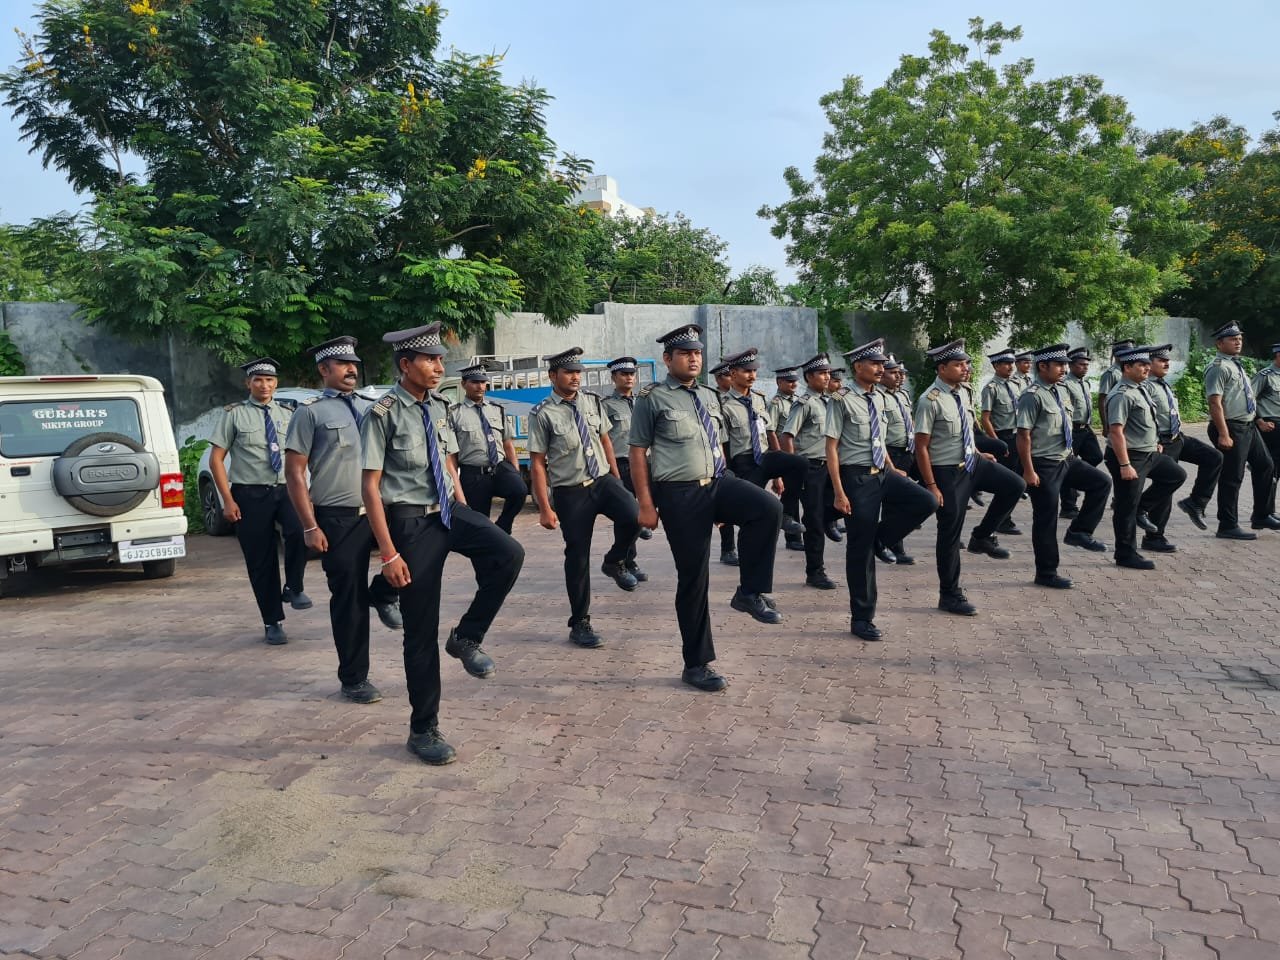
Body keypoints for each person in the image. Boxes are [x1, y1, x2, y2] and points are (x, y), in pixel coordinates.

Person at [361, 322, 525, 765]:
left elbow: (448, 461)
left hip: (449, 510)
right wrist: (389, 553)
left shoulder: (440, 406)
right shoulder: (383, 413)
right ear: (405, 364)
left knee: (509, 552)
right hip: (411, 522)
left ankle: (467, 637)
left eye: (440, 360)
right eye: (430, 360)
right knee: (420, 630)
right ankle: (423, 729)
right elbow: (370, 486)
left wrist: (465, 507)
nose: (439, 367)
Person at [629, 324, 783, 693]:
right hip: (679, 494)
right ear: (668, 359)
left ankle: (749, 591)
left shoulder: (712, 396)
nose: (693, 358)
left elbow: (717, 444)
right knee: (694, 577)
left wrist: (723, 494)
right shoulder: (652, 398)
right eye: (685, 353)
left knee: (767, 508)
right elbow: (637, 452)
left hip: (717, 480)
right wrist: (646, 504)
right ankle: (696, 664)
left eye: (697, 352)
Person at [284, 337, 402, 703]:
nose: (352, 369)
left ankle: (382, 594)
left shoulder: (373, 407)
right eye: (342, 364)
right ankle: (354, 678)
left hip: (382, 511)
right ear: (324, 369)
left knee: (417, 557)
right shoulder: (310, 413)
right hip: (339, 518)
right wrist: (309, 525)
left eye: (354, 363)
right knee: (349, 599)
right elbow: (294, 472)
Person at [528, 347, 641, 649]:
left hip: (602, 480)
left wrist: (616, 479)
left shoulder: (592, 401)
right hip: (571, 492)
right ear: (553, 376)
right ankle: (580, 622)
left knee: (635, 515)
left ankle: (615, 561)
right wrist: (544, 507)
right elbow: (537, 463)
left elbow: (605, 440)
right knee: (577, 557)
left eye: (578, 372)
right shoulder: (542, 413)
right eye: (569, 372)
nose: (576, 377)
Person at [827, 339, 937, 641]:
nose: (880, 369)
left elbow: (878, 438)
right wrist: (839, 492)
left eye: (881, 364)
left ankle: (881, 540)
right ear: (857, 367)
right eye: (874, 364)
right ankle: (862, 618)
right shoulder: (841, 399)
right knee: (859, 550)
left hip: (882, 472)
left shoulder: (879, 398)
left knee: (925, 501)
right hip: (856, 478)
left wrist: (891, 466)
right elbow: (831, 447)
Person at [914, 339, 1027, 615]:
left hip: (972, 462)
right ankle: (949, 594)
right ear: (942, 368)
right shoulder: (929, 400)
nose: (966, 368)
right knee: (950, 532)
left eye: (967, 364)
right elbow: (921, 447)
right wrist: (931, 485)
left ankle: (982, 536)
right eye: (959, 364)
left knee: (1015, 485)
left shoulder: (963, 392)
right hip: (947, 472)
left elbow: (965, 430)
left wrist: (977, 451)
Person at [209, 357, 310, 645]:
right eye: (258, 380)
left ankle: (294, 586)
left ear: (276, 383)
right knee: (261, 560)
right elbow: (216, 459)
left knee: (300, 531)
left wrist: (306, 489)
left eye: (269, 380)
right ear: (248, 384)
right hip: (249, 494)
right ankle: (272, 621)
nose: (264, 385)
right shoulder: (234, 415)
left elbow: (301, 454)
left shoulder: (289, 413)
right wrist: (228, 500)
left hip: (286, 490)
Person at [1015, 344, 1112, 589]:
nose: (1064, 369)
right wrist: (1028, 470)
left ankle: (1079, 531)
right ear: (1043, 366)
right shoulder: (1032, 395)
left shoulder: (1060, 390)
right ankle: (1046, 572)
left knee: (1101, 483)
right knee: (1046, 518)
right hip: (1043, 464)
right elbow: (1023, 436)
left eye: (1065, 365)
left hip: (1066, 459)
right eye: (1059, 365)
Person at [717, 347, 807, 563]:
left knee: (799, 464)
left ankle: (786, 514)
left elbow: (769, 432)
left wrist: (779, 472)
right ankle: (730, 550)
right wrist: (725, 475)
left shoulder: (759, 399)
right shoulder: (723, 404)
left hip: (765, 456)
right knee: (748, 511)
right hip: (742, 463)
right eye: (747, 371)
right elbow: (722, 444)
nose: (752, 375)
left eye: (754, 370)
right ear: (733, 373)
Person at [1102, 345, 1186, 570]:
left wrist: (1155, 441)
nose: (1147, 368)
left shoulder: (1140, 388)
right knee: (1126, 506)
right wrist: (1124, 464)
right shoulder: (1121, 394)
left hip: (1148, 452)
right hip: (1130, 457)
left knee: (1176, 475)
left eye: (1148, 364)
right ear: (1127, 367)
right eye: (1141, 365)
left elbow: (1148, 421)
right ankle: (1125, 554)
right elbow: (1116, 432)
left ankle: (1142, 507)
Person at [1138, 344, 1223, 546]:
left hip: (1177, 437)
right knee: (1167, 486)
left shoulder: (1163, 384)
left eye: (1168, 360)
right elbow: (1144, 418)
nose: (1167, 363)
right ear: (1149, 363)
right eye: (1161, 360)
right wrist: (1154, 441)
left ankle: (1195, 502)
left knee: (1214, 458)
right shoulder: (1146, 387)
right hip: (1162, 441)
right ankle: (1154, 537)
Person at [1204, 322, 1279, 539]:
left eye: (1239, 339)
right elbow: (1215, 402)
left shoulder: (1235, 364)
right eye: (1233, 339)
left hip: (1247, 425)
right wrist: (1223, 433)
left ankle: (1262, 515)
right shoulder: (1218, 367)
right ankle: (1227, 525)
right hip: (1231, 426)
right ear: (1220, 343)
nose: (1238, 342)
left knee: (1266, 465)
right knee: (1232, 476)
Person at [780, 353, 841, 589]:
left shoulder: (831, 401)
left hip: (831, 466)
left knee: (839, 507)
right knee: (814, 519)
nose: (827, 377)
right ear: (809, 377)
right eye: (822, 373)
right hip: (811, 467)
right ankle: (815, 572)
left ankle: (829, 521)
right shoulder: (804, 403)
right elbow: (787, 436)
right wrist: (793, 467)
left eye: (828, 373)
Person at [447, 363, 528, 535]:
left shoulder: (497, 410)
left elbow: (508, 444)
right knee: (479, 526)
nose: (480, 386)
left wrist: (515, 472)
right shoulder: (454, 414)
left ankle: (502, 527)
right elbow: (451, 458)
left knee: (519, 490)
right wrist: (458, 493)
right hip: (473, 474)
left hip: (499, 467)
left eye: (483, 382)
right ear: (464, 384)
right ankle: (488, 542)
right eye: (475, 382)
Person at [601, 356, 654, 557]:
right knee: (626, 516)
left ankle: (641, 522)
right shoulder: (606, 405)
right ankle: (627, 560)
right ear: (614, 377)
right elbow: (602, 439)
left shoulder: (644, 401)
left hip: (646, 462)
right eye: (624, 374)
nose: (629, 378)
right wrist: (612, 471)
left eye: (632, 374)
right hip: (622, 464)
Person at [878, 355, 918, 564]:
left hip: (907, 452)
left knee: (903, 500)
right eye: (893, 372)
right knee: (892, 503)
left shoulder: (901, 395)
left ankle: (891, 543)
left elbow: (909, 421)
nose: (898, 376)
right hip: (890, 453)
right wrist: (889, 464)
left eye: (899, 372)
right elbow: (879, 433)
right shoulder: (878, 397)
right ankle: (892, 546)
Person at [1058, 347, 1103, 519]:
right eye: (1081, 365)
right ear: (1071, 366)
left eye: (1087, 365)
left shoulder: (1084, 383)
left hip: (1086, 428)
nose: (1085, 367)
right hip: (1072, 429)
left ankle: (1077, 479)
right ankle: (1068, 507)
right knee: (1068, 465)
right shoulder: (1065, 384)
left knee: (1096, 456)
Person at [768, 365, 805, 549]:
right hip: (785, 455)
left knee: (799, 493)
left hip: (800, 454)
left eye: (795, 381)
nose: (793, 384)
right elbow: (771, 431)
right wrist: (778, 459)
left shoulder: (799, 401)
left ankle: (798, 534)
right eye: (789, 381)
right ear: (779, 382)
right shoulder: (775, 404)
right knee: (791, 494)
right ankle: (793, 538)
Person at [1250, 343, 1280, 524]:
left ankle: (1269, 511)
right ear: (1278, 355)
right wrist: (1259, 420)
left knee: (1276, 472)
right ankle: (1262, 513)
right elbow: (1248, 398)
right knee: (1270, 470)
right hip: (1271, 427)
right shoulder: (1265, 376)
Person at [1096, 339, 1135, 421]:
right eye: (1126, 353)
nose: (1130, 356)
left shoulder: (1129, 371)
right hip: (1115, 418)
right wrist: (1105, 424)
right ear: (1116, 355)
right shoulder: (1111, 374)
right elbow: (1102, 400)